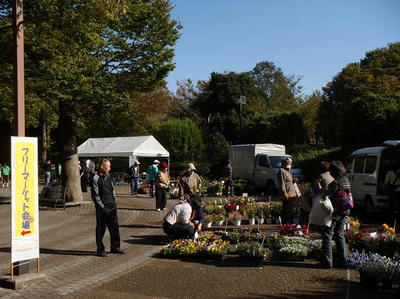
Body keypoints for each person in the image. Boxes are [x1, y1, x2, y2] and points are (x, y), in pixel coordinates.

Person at [317, 161, 351, 269]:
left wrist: (320, 190)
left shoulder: (335, 183)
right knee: (339, 235)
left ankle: (327, 262)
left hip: (334, 211)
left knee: (327, 235)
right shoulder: (346, 180)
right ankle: (343, 261)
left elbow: (327, 195)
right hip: (345, 211)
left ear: (334, 171)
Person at [91, 159, 124, 257]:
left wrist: (114, 202)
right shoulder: (95, 178)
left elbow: (112, 191)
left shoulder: (109, 177)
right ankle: (100, 249)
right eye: (108, 166)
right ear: (102, 166)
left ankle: (115, 247)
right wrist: (101, 207)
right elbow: (95, 195)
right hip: (102, 208)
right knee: (101, 229)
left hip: (112, 206)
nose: (109, 168)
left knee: (114, 228)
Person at [277, 157, 298, 224]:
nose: (290, 165)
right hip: (287, 194)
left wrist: (294, 181)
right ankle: (286, 226)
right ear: (284, 163)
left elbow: (289, 181)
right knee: (287, 212)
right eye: (288, 163)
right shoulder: (281, 171)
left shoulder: (288, 171)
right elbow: (282, 183)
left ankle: (291, 226)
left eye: (290, 164)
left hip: (292, 194)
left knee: (290, 212)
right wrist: (284, 193)